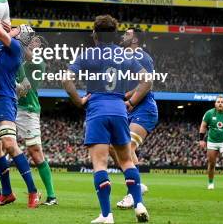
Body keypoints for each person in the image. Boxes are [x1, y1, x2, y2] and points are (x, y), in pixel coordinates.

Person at [62, 15, 151, 223]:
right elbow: (147, 80)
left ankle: (106, 215)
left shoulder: (86, 54)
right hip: (120, 109)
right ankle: (138, 204)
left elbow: (67, 80)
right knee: (127, 161)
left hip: (97, 110)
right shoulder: (123, 54)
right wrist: (131, 102)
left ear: (95, 34)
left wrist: (79, 101)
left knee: (100, 165)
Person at [0, 0, 41, 209]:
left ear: (19, 36)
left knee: (9, 144)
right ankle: (7, 193)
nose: (11, 27)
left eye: (15, 28)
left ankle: (33, 191)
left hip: (5, 99)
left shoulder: (14, 48)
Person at [113, 28, 157, 209]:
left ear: (135, 40)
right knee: (114, 148)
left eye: (127, 34)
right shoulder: (122, 56)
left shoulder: (141, 56)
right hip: (129, 110)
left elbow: (147, 83)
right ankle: (136, 184)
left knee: (126, 147)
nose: (123, 35)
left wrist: (129, 101)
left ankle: (132, 195)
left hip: (144, 109)